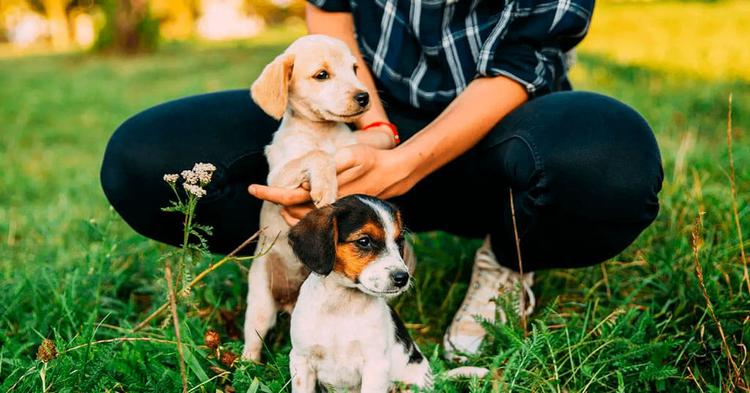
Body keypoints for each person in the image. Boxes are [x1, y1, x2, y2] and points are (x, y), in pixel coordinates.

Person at [100, 0, 663, 359]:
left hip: (500, 128)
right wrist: (370, 130)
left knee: (609, 160)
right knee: (144, 158)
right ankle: (311, 261)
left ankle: (510, 259)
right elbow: (330, 11)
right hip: (365, 111)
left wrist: (404, 162)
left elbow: (524, 60)